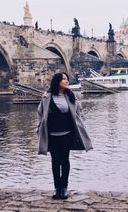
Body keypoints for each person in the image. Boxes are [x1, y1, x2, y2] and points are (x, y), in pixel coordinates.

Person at [37, 72, 93, 200]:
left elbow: (79, 112)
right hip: (51, 134)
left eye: (67, 79)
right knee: (55, 161)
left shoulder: (71, 96)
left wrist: (80, 125)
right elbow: (40, 113)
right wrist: (39, 127)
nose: (66, 81)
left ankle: (64, 188)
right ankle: (57, 188)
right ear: (57, 81)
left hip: (67, 134)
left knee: (65, 160)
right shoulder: (46, 97)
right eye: (64, 79)